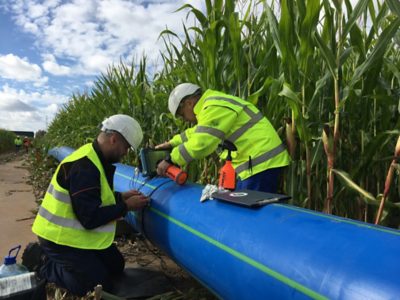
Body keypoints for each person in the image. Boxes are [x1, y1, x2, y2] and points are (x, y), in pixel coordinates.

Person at [30, 114, 150, 296]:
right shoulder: (84, 166)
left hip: (76, 234)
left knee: (116, 266)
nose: (126, 153)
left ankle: (73, 264)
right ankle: (45, 264)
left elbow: (93, 196)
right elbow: (90, 218)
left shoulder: (95, 158)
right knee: (96, 285)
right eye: (126, 147)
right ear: (114, 139)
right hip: (59, 240)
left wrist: (120, 197)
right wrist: (126, 207)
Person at [156, 83, 291, 193]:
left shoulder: (213, 106)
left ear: (189, 103)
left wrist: (170, 159)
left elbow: (202, 143)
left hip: (261, 163)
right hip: (256, 163)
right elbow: (197, 131)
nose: (184, 119)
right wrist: (172, 142)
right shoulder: (211, 104)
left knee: (249, 217)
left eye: (181, 114)